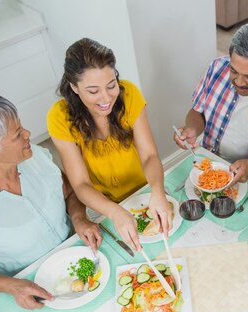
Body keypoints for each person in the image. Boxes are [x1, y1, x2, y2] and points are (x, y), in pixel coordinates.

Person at [0, 87, 101, 310]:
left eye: (21, 126)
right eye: (16, 134)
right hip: (27, 285)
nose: (27, 134)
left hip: (75, 255)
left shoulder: (35, 156)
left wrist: (79, 217)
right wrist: (13, 286)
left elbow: (69, 192)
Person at [47, 38, 171, 251]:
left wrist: (157, 191)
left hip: (144, 190)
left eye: (111, 85)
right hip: (101, 204)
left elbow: (149, 156)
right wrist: (114, 212)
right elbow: (80, 185)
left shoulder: (129, 94)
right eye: (93, 91)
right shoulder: (59, 117)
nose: (106, 98)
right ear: (74, 87)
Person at [173, 23, 248, 184]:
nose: (238, 82)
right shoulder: (217, 67)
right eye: (233, 71)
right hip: (210, 163)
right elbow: (197, 111)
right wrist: (193, 129)